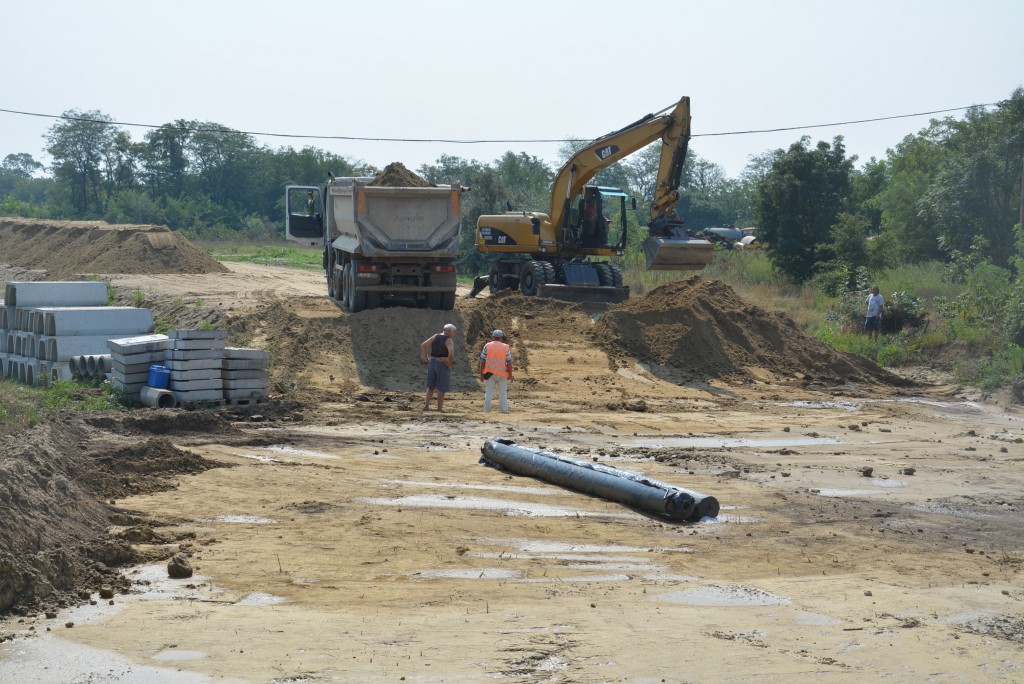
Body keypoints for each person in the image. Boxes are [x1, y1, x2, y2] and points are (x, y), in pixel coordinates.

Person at [421, 323, 456, 411]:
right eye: (454, 331)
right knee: (441, 387)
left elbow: (423, 345)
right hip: (441, 363)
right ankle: (439, 409)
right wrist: (449, 364)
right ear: (450, 332)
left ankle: (426, 406)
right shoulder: (448, 340)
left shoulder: (435, 336)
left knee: (431, 386)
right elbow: (451, 354)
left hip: (432, 362)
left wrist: (426, 358)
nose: (455, 333)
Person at [478, 329, 513, 414]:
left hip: (489, 373)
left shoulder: (487, 345)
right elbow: (509, 362)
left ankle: (487, 410)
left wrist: (481, 374)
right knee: (503, 393)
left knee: (488, 392)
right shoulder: (505, 347)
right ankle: (504, 410)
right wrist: (510, 375)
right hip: (502, 373)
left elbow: (482, 361)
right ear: (501, 337)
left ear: (493, 337)